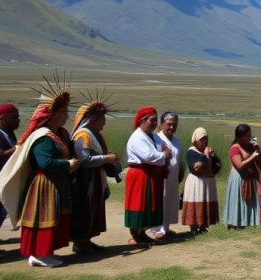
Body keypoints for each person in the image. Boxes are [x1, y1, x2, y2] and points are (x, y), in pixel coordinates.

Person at [0, 77, 79, 267]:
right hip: (44, 184)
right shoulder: (43, 136)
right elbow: (45, 162)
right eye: (64, 112)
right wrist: (68, 165)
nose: (67, 115)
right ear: (54, 115)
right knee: (45, 218)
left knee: (53, 217)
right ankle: (39, 254)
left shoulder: (56, 134)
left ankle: (46, 252)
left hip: (53, 183)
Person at [69, 95, 120, 254]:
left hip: (93, 179)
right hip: (84, 181)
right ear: (92, 119)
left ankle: (87, 240)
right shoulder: (83, 135)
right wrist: (106, 158)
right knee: (84, 210)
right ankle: (79, 242)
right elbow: (84, 159)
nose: (104, 123)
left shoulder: (93, 134)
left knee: (92, 210)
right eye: (102, 119)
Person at [124, 107, 170, 246]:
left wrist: (164, 153)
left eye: (156, 120)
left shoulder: (153, 135)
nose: (155, 123)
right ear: (142, 120)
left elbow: (165, 146)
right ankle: (136, 234)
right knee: (140, 204)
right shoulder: (137, 137)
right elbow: (149, 156)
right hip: (140, 174)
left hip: (151, 174)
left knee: (149, 204)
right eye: (152, 120)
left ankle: (143, 233)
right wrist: (164, 155)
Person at [181, 127, 221, 234]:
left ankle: (203, 226)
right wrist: (205, 155)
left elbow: (218, 165)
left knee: (205, 203)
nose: (205, 142)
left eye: (206, 139)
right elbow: (195, 168)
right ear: (195, 141)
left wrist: (212, 156)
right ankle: (193, 227)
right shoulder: (191, 152)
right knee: (196, 203)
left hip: (207, 181)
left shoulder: (209, 151)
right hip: (196, 182)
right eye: (202, 140)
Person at [224, 124, 261, 229]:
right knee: (238, 201)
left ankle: (247, 221)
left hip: (250, 177)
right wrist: (252, 156)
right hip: (239, 178)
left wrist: (258, 151)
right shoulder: (234, 148)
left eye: (250, 135)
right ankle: (234, 222)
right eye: (247, 136)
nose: (250, 138)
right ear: (240, 136)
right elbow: (239, 165)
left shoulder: (250, 146)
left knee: (248, 202)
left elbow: (258, 162)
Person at [151, 111, 181, 239]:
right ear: (162, 124)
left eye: (174, 124)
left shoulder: (177, 140)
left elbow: (179, 159)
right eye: (169, 124)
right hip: (160, 176)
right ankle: (156, 228)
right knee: (160, 200)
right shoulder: (157, 139)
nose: (171, 127)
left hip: (173, 177)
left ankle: (166, 228)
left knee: (171, 200)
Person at [0, 103, 20, 225]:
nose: (18, 120)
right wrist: (18, 149)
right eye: (14, 117)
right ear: (2, 118)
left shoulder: (9, 133)